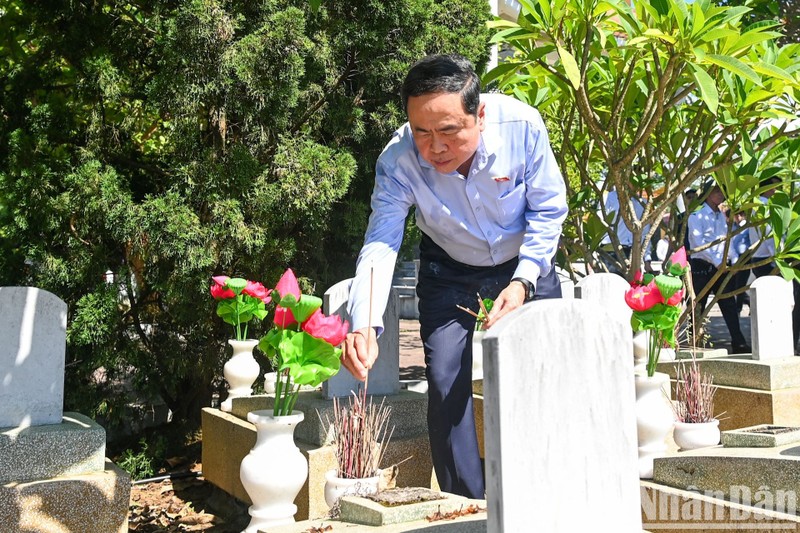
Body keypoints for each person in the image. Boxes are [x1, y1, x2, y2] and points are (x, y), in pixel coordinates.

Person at [340, 54, 567, 498]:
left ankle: (549, 490)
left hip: (525, 264)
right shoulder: (399, 159)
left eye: (448, 131)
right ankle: (466, 505)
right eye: (421, 132)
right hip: (448, 268)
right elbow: (382, 240)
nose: (434, 148)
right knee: (444, 383)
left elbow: (548, 210)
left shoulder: (523, 127)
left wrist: (523, 282)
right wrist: (364, 322)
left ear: (479, 114)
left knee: (549, 374)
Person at [688, 183, 751, 353]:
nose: (720, 195)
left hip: (721, 266)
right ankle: (691, 341)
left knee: (729, 304)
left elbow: (725, 240)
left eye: (722, 193)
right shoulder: (697, 215)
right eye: (716, 192)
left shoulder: (720, 216)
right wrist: (717, 261)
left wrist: (733, 260)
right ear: (707, 193)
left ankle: (738, 342)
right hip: (702, 266)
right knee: (698, 305)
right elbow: (697, 243)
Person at [748, 176, 800, 352]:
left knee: (769, 304)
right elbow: (772, 237)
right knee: (783, 304)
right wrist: (780, 260)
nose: (779, 191)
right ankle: (787, 344)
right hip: (770, 261)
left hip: (763, 260)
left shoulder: (758, 205)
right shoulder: (766, 207)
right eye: (776, 187)